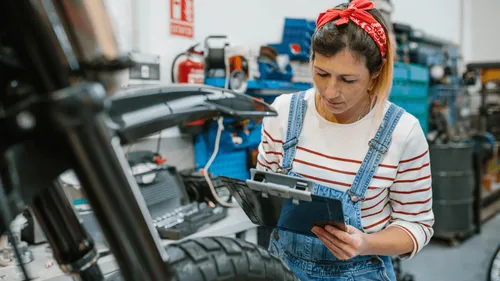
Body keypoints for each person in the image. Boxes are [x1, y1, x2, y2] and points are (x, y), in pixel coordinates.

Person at [256, 0, 434, 280]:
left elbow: (417, 226)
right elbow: (266, 188)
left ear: (375, 75)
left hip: (359, 271)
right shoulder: (283, 112)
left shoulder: (403, 132)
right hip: (283, 266)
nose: (330, 92)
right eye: (321, 73)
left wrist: (365, 243)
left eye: (348, 80)